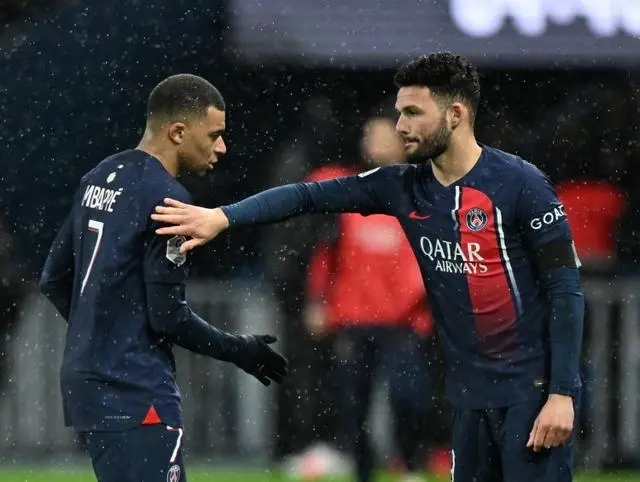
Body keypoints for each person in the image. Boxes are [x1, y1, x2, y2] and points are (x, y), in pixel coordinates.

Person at [151, 53, 584, 482]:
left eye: (413, 113)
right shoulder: (402, 186)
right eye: (399, 113)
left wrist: (562, 393)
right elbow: (305, 196)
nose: (401, 126)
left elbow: (565, 289)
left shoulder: (522, 184)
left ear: (455, 115)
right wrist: (223, 217)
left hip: (531, 394)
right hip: (469, 399)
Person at [39, 74, 288, 482]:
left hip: (88, 381)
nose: (222, 147)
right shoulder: (169, 201)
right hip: (135, 386)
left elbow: (53, 278)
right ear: (178, 132)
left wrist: (103, 336)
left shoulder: (98, 177)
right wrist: (239, 349)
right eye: (214, 135)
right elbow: (169, 317)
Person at [303, 116, 434, 482]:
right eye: (367, 134)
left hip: (405, 319)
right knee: (354, 404)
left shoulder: (423, 192)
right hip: (354, 317)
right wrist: (317, 300)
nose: (371, 141)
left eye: (379, 134)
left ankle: (409, 465)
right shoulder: (346, 188)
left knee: (409, 397)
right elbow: (325, 251)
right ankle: (363, 472)